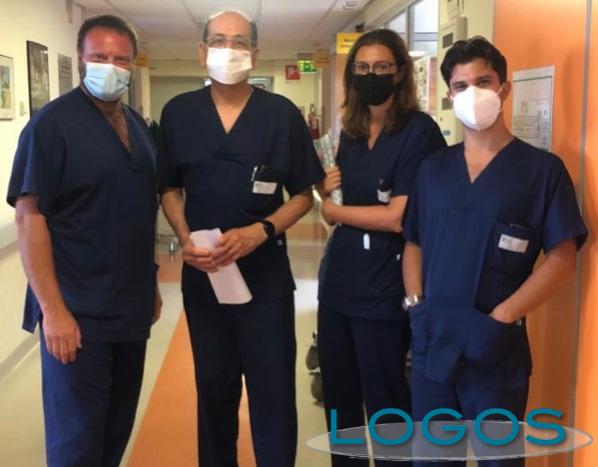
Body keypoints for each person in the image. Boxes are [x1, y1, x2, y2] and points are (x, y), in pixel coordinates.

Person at [401, 37, 587, 467]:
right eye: (461, 85)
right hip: (434, 342)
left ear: (504, 89)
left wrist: (503, 317)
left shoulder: (541, 171)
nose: (473, 93)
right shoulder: (433, 169)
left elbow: (562, 257)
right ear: (450, 96)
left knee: (499, 460)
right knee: (431, 459)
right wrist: (415, 305)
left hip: (495, 349)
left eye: (483, 81)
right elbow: (413, 241)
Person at [159, 9, 325, 467]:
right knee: (214, 389)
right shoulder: (179, 113)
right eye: (218, 40)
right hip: (205, 278)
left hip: (266, 279)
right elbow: (169, 187)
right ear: (201, 51)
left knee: (273, 392)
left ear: (254, 52)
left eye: (239, 41)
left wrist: (261, 230)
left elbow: (304, 195)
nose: (228, 49)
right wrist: (185, 237)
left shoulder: (281, 115)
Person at [6, 15, 161, 467]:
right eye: (99, 57)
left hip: (129, 309)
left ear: (133, 64)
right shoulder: (51, 126)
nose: (110, 67)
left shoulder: (138, 126)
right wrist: (53, 311)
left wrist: (150, 283)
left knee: (115, 432)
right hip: (77, 313)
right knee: (77, 442)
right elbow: (29, 218)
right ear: (80, 60)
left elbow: (139, 211)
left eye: (121, 59)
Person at [316, 29, 446, 467]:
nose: (370, 75)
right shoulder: (352, 132)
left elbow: (398, 217)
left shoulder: (419, 132)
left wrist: (336, 211)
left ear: (400, 72)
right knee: (340, 402)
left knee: (386, 403)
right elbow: (337, 208)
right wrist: (327, 194)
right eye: (362, 68)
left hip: (385, 289)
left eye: (381, 67)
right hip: (339, 285)